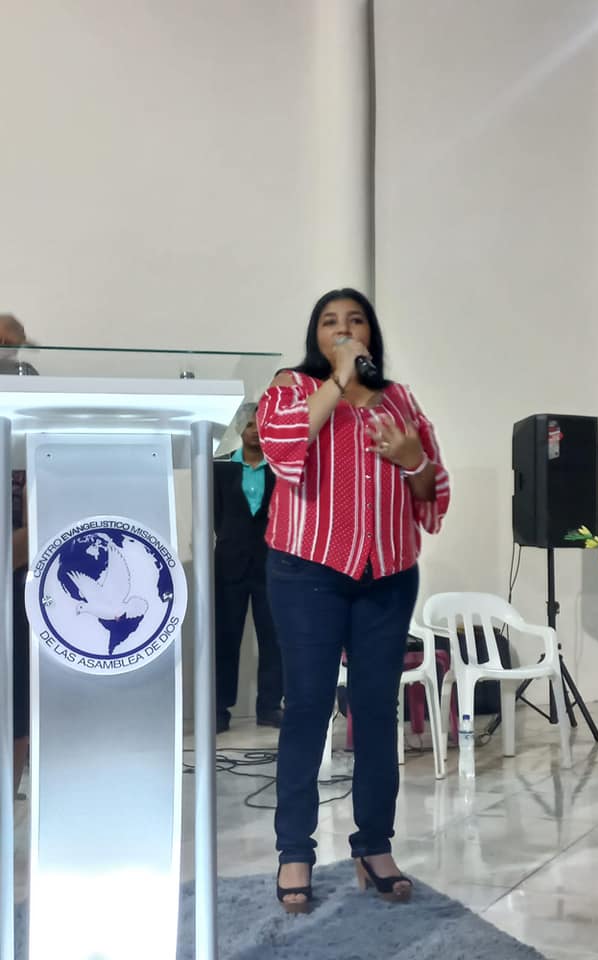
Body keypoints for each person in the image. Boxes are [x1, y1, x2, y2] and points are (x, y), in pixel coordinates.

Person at [256, 288, 450, 913]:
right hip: (306, 571)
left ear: (372, 333)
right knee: (308, 707)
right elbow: (283, 448)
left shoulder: (399, 400)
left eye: (355, 320)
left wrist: (411, 459)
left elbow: (431, 487)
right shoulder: (291, 387)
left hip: (388, 575)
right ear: (316, 336)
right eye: (330, 322)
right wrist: (337, 381)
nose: (343, 329)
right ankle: (295, 850)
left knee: (374, 710)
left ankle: (373, 846)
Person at [214, 405, 283, 731]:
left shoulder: (280, 468)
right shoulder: (220, 467)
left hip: (271, 564)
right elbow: (215, 515)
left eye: (262, 425)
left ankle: (269, 706)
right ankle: (218, 710)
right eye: (250, 425)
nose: (256, 431)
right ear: (239, 429)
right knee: (225, 639)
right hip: (230, 565)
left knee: (274, 638)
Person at [0, 314, 31, 796]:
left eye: (12, 347)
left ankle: (8, 796)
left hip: (20, 578)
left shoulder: (31, 400)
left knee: (18, 700)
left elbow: (48, 507)